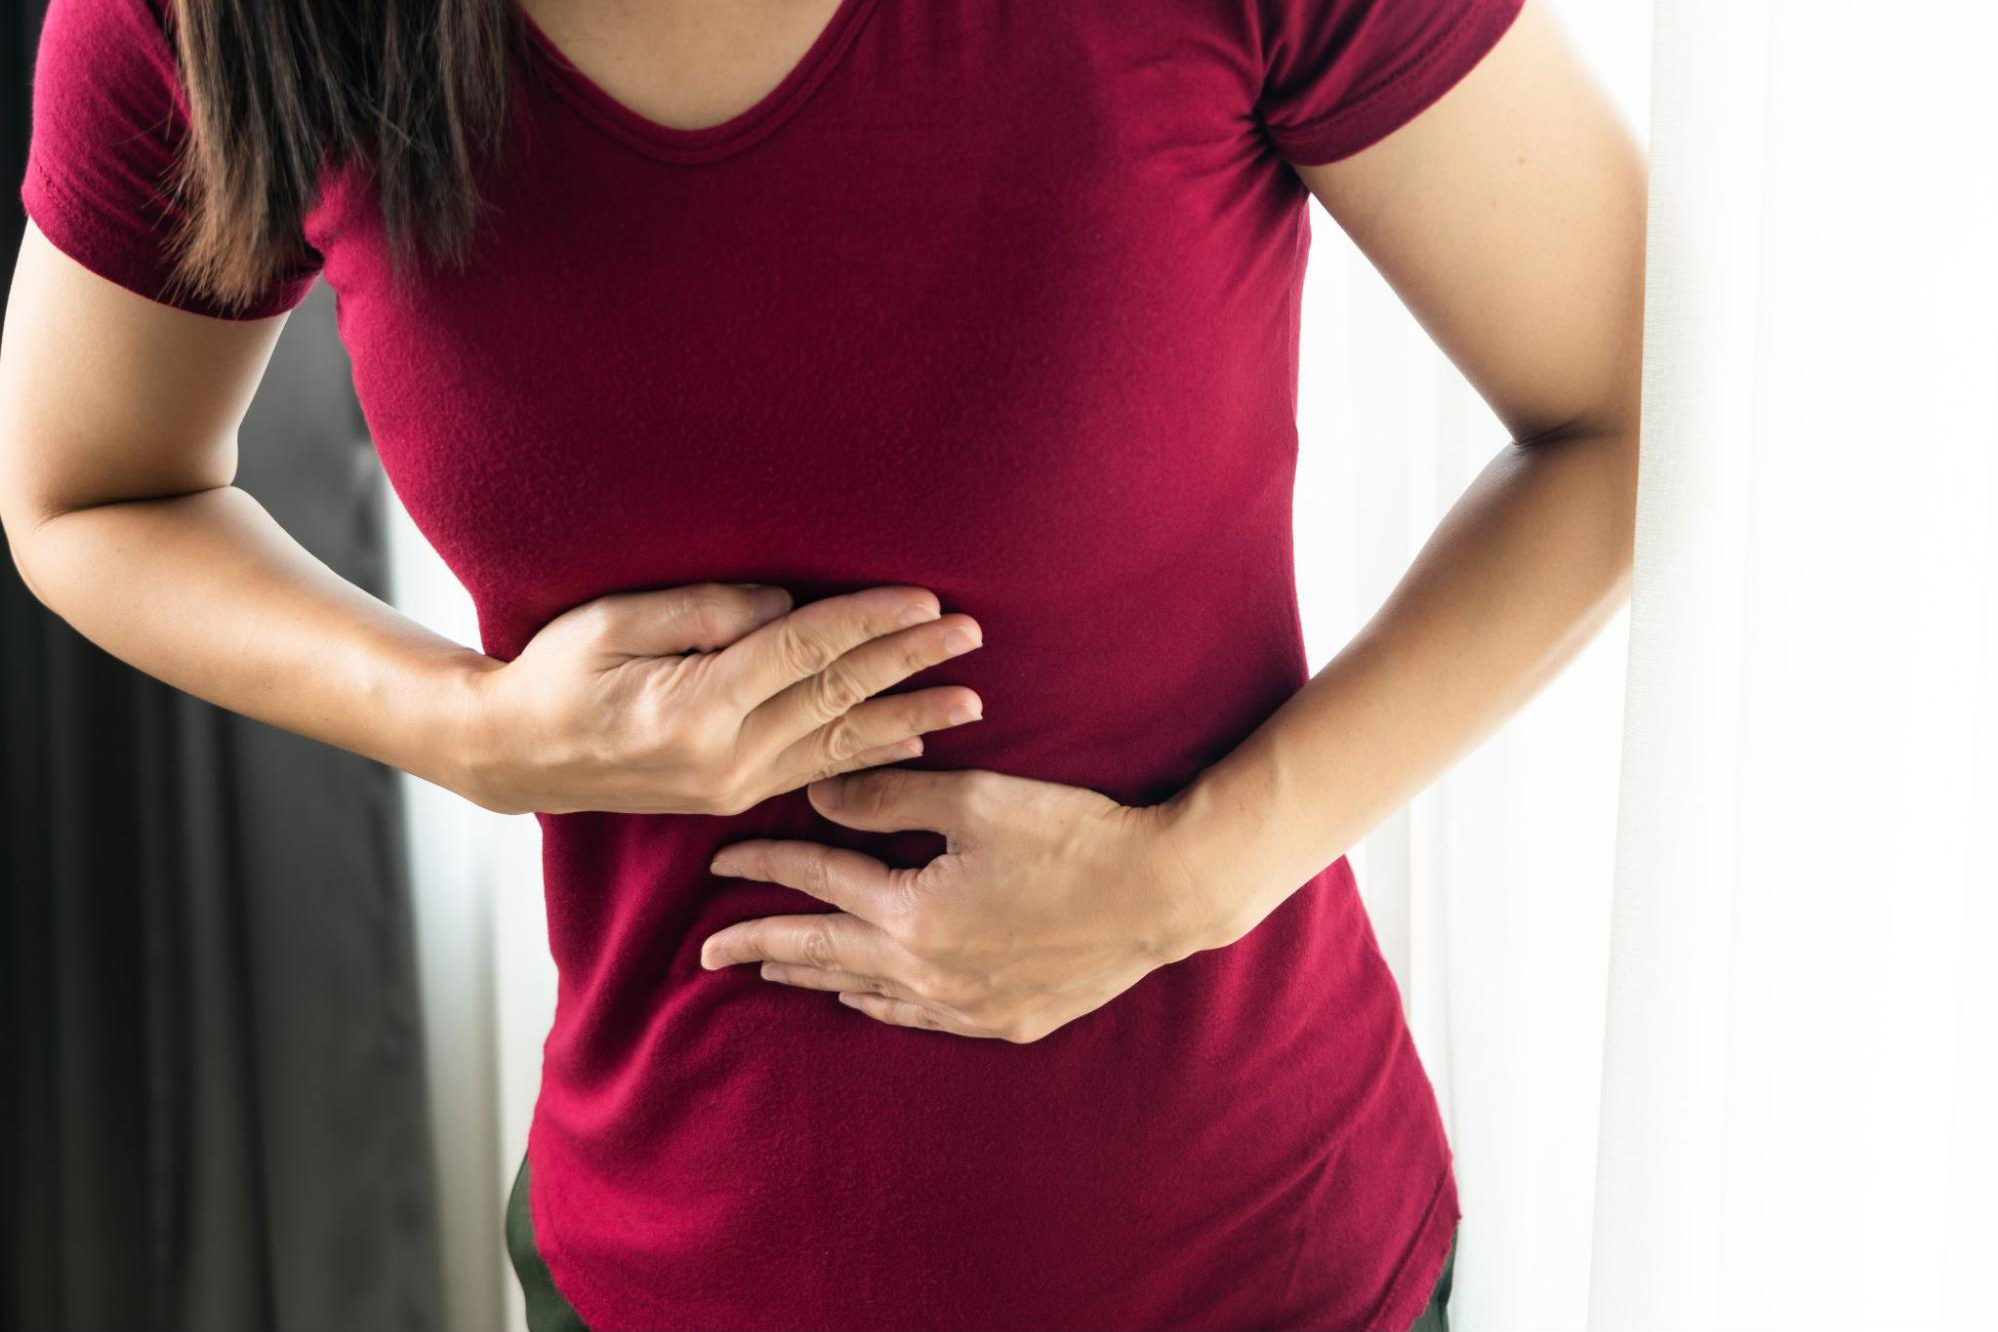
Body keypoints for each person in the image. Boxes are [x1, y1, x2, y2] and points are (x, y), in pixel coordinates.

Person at [0, 0, 1644, 1326]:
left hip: (1253, 1260)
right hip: (651, 1263)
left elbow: (1628, 417)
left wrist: (1186, 879)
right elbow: (88, 490)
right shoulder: (213, 23)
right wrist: (466, 730)